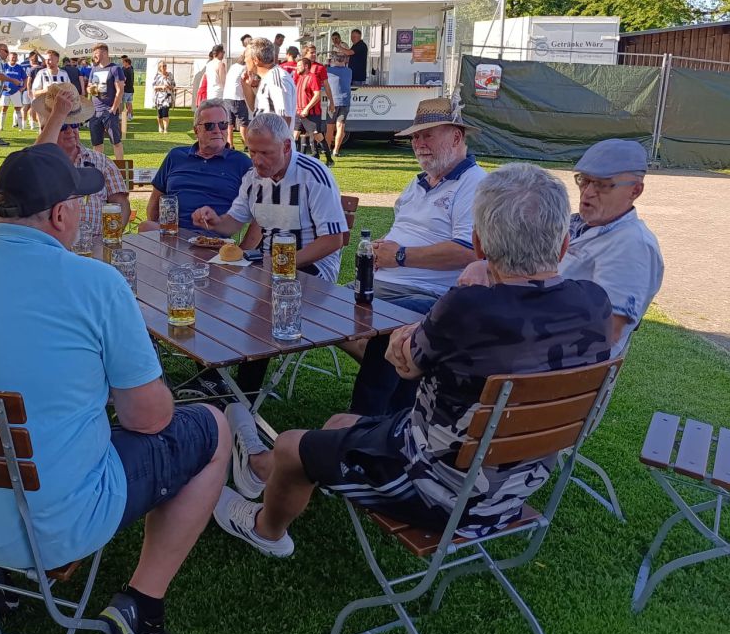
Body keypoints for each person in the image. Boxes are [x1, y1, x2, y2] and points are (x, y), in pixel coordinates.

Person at [0, 143, 230, 634]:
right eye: (79, 203)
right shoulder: (94, 282)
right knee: (214, 427)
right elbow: (147, 419)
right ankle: (141, 604)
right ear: (60, 214)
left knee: (20, 418)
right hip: (50, 527)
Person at [215, 163, 613, 558]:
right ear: (563, 245)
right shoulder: (594, 304)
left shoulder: (466, 308)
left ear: (478, 245)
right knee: (339, 423)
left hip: (433, 488)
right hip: (514, 488)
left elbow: (404, 363)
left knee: (290, 444)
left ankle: (265, 524)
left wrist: (414, 329)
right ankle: (267, 467)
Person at [459, 139, 664, 359]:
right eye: (584, 180)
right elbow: (522, 263)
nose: (588, 192)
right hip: (518, 335)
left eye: (603, 185)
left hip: (544, 359)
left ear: (635, 190)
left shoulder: (633, 245)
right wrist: (485, 266)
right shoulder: (575, 224)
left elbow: (609, 330)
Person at [346, 98, 487, 416]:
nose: (419, 143)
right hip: (381, 285)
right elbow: (407, 230)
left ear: (456, 137)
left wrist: (399, 255)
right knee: (321, 306)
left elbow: (469, 251)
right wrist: (384, 247)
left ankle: (364, 419)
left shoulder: (475, 184)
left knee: (388, 330)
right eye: (415, 137)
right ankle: (406, 393)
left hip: (428, 295)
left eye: (428, 135)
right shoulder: (418, 182)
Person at [190, 113, 347, 398]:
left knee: (264, 297)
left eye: (265, 153)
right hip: (266, 266)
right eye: (252, 152)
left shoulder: (312, 174)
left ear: (286, 147)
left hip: (312, 270)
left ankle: (242, 394)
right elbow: (233, 223)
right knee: (209, 286)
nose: (257, 160)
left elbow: (334, 240)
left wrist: (283, 263)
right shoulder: (253, 179)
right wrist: (214, 220)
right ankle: (213, 377)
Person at [141, 99, 252, 233]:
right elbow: (155, 201)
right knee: (146, 226)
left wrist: (245, 246)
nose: (217, 130)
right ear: (196, 131)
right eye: (209, 126)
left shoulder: (241, 162)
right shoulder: (176, 156)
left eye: (223, 125)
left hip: (211, 238)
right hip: (172, 233)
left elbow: (261, 209)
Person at [34, 83, 129, 229]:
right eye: (63, 126)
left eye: (74, 125)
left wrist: (111, 235)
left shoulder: (102, 162)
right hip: (51, 242)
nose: (70, 131)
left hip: (97, 240)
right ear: (46, 129)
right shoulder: (37, 163)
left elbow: (121, 204)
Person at [242, 37, 296, 129]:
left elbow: (284, 119)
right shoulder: (267, 78)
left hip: (275, 138)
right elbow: (256, 109)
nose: (245, 60)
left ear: (256, 60)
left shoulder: (277, 79)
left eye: (246, 56)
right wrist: (246, 85)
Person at [86, 43, 126, 161]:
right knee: (96, 143)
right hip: (95, 112)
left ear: (104, 53)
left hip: (109, 111)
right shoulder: (94, 69)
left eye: (96, 53)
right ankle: (98, 167)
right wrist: (91, 89)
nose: (94, 56)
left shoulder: (115, 69)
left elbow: (120, 90)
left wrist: (113, 109)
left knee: (116, 142)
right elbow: (88, 87)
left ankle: (120, 168)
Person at [294, 52, 333, 165]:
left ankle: (329, 160)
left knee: (318, 136)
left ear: (306, 66)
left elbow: (317, 95)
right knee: (295, 136)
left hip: (312, 113)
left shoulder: (313, 77)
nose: (297, 68)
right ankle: (296, 160)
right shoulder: (299, 78)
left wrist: (307, 108)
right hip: (299, 112)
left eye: (299, 66)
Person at [326, 52, 353, 157]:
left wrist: (328, 63)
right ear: (345, 60)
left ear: (334, 60)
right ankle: (336, 150)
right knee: (341, 126)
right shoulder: (349, 71)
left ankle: (327, 149)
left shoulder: (329, 70)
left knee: (330, 127)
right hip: (345, 101)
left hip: (333, 102)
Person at [222, 53, 249, 148]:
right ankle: (246, 144)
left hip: (226, 96)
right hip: (237, 98)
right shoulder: (245, 68)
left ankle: (230, 144)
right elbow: (247, 81)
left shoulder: (233, 66)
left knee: (229, 122)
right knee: (243, 122)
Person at [0, 52, 28, 130]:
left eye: (15, 57)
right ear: (9, 57)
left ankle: (20, 127)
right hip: (5, 91)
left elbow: (25, 78)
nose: (14, 59)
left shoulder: (19, 67)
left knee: (18, 109)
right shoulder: (4, 66)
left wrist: (24, 87)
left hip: (16, 91)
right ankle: (1, 127)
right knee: (4, 108)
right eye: (12, 57)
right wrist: (1, 86)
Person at [152, 61, 176, 134]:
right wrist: (161, 87)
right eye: (163, 66)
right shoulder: (157, 75)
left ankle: (165, 129)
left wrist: (169, 86)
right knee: (160, 113)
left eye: (165, 66)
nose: (164, 67)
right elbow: (154, 86)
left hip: (167, 96)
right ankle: (160, 126)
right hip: (159, 96)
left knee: (165, 112)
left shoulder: (170, 75)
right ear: (160, 67)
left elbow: (174, 85)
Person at [121, 55, 136, 121]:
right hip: (131, 89)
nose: (122, 63)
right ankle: (130, 116)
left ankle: (121, 116)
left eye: (123, 62)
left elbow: (123, 79)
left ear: (127, 62)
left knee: (122, 103)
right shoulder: (131, 69)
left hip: (126, 89)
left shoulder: (126, 70)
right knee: (129, 103)